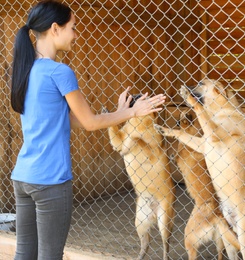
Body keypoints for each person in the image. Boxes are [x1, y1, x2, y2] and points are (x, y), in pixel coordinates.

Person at [10, 1, 166, 259]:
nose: (76, 34)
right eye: (72, 27)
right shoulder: (60, 72)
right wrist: (133, 112)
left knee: (24, 254)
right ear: (55, 29)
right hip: (50, 181)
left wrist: (119, 113)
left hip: (23, 178)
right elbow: (91, 123)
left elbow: (72, 120)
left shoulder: (26, 69)